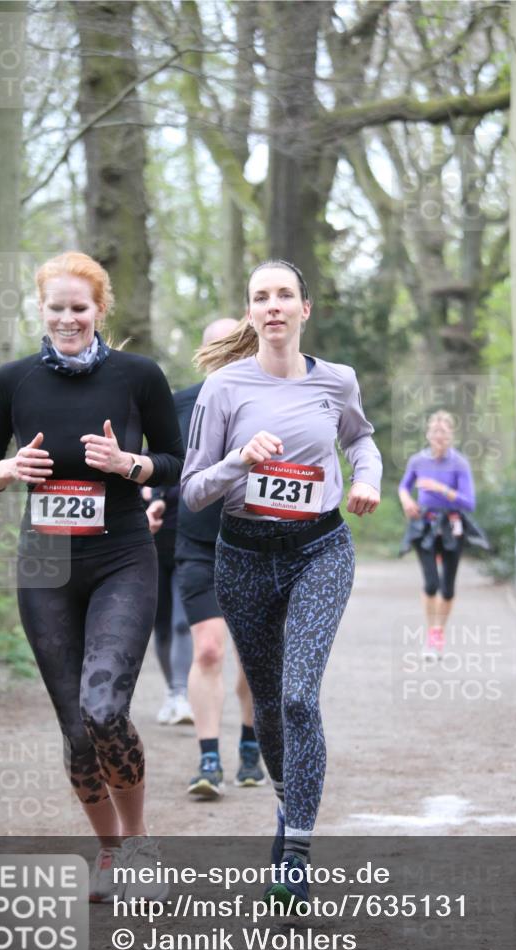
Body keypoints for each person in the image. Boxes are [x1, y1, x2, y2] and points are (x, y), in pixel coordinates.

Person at [0, 251, 184, 904]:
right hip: (45, 561)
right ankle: (109, 853)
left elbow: (175, 461)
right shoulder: (12, 382)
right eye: (56, 308)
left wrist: (130, 463)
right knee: (73, 728)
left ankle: (141, 841)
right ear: (41, 309)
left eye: (79, 308)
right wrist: (4, 472)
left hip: (120, 553)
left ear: (100, 310)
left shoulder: (138, 376)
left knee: (104, 708)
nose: (67, 319)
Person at [181, 262, 381, 909]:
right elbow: (190, 490)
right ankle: (285, 805)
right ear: (249, 314)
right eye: (260, 297)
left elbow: (363, 440)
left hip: (318, 549)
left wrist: (366, 478)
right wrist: (239, 461)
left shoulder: (336, 381)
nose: (273, 306)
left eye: (284, 295)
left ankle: (295, 851)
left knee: (298, 698)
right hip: (241, 555)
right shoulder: (223, 387)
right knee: (267, 707)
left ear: (305, 309)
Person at [174, 319, 265, 800]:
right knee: (208, 649)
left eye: (238, 349)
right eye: (218, 350)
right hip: (198, 545)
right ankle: (208, 759)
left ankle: (250, 747)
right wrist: (153, 502)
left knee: (254, 661)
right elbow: (168, 469)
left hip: (256, 544)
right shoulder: (180, 404)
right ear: (204, 354)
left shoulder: (270, 399)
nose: (228, 358)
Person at [398, 409, 488, 658]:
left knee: (447, 588)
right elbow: (404, 486)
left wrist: (440, 488)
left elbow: (469, 503)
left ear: (451, 436)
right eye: (435, 432)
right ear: (427, 434)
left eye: (444, 433)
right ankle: (431, 633)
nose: (439, 436)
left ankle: (438, 633)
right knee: (431, 583)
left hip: (451, 526)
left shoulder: (459, 463)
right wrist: (407, 500)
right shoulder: (417, 461)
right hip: (424, 525)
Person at [144, 484, 194, 726]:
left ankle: (181, 693)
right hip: (150, 555)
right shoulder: (134, 461)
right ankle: (172, 692)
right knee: (162, 629)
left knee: (182, 624)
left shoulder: (183, 460)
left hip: (186, 552)